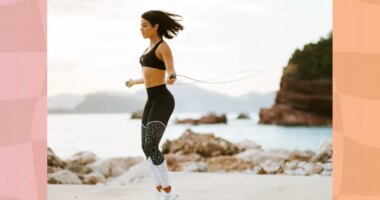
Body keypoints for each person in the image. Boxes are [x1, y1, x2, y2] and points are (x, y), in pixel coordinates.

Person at [126, 10, 184, 200]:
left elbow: (171, 70)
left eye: (144, 25)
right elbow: (148, 76)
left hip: (163, 101)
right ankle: (159, 190)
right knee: (145, 147)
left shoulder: (163, 47)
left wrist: (172, 76)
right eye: (140, 25)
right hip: (150, 101)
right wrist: (133, 82)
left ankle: (169, 192)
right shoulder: (146, 51)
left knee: (152, 144)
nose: (141, 29)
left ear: (155, 26)